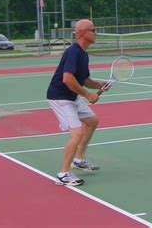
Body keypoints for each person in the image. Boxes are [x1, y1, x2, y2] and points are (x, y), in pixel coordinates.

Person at [46, 19, 109, 186]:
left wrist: (98, 85)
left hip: (72, 96)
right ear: (82, 32)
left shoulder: (83, 53)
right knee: (77, 132)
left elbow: (84, 79)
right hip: (60, 97)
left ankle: (78, 159)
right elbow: (68, 79)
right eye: (93, 29)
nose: (95, 32)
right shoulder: (73, 52)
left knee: (92, 121)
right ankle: (63, 174)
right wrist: (88, 95)